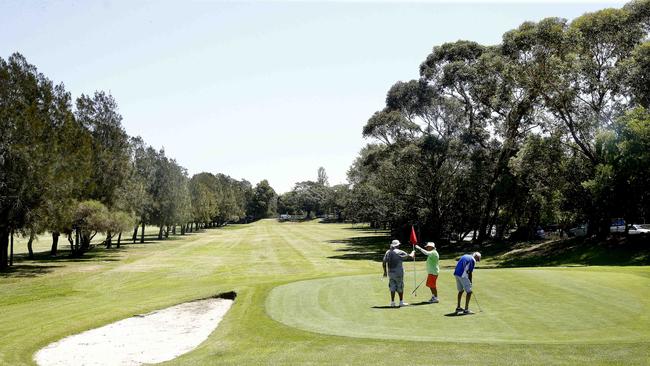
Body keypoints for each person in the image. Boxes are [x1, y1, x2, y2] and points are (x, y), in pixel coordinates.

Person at [382, 239, 415, 307]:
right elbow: (410, 256)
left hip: (390, 272)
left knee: (392, 287)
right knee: (400, 286)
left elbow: (384, 262)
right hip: (398, 273)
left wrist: (385, 271)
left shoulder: (388, 252)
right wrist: (413, 252)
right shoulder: (399, 252)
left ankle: (392, 302)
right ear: (397, 245)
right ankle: (401, 302)